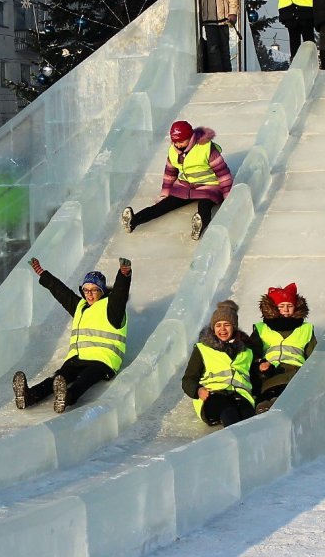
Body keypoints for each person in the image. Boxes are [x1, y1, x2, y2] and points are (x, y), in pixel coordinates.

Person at [13, 257, 132, 413]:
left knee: (86, 378)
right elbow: (61, 292)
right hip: (77, 359)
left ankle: (67, 397)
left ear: (102, 291)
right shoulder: (80, 307)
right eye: (86, 290)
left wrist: (124, 275)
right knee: (58, 377)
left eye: (94, 290)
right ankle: (29, 396)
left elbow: (120, 294)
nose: (89, 294)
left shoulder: (112, 308)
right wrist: (43, 273)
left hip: (103, 360)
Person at [121, 119, 232, 241]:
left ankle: (199, 225)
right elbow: (170, 173)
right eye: (175, 142)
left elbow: (223, 173)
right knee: (163, 206)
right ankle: (134, 221)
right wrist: (165, 194)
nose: (177, 145)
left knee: (204, 206)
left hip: (209, 186)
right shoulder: (173, 151)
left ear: (190, 137)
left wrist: (227, 195)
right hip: (186, 186)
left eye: (181, 141)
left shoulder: (206, 148)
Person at [181, 300, 256, 427]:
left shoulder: (246, 351)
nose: (222, 329)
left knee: (248, 417)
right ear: (213, 328)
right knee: (229, 412)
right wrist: (198, 390)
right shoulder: (203, 349)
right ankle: (232, 438)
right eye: (218, 325)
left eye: (227, 325)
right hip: (213, 395)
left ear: (234, 327)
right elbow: (188, 379)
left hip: (240, 395)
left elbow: (254, 377)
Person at [248, 283, 317, 413]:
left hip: (295, 372)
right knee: (268, 391)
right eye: (281, 306)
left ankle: (275, 405)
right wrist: (260, 364)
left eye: (289, 306)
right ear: (274, 308)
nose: (285, 310)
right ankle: (265, 405)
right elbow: (251, 353)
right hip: (270, 372)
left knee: (285, 392)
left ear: (295, 307)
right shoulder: (262, 329)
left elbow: (314, 356)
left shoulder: (305, 329)